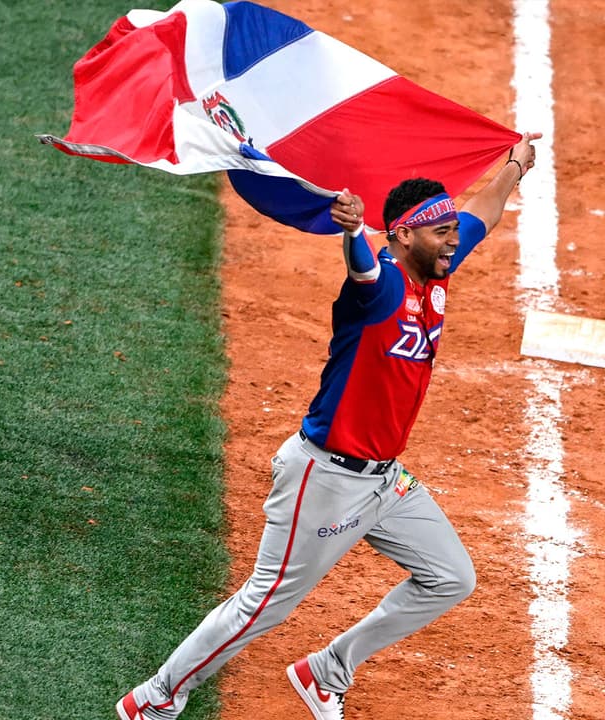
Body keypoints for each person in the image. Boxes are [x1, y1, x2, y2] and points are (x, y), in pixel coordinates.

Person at [116, 132, 541, 720]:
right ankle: (156, 697)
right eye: (440, 231)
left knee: (449, 577)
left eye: (450, 231)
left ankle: (326, 671)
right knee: (264, 604)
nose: (452, 239)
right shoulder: (383, 283)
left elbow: (480, 216)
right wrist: (350, 231)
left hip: (385, 482)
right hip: (325, 478)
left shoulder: (436, 267)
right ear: (402, 234)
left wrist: (515, 164)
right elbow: (362, 270)